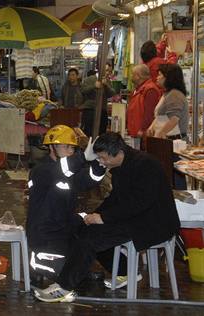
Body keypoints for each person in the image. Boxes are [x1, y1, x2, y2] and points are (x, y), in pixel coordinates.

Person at [34, 132, 180, 303]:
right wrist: (94, 216)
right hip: (132, 216)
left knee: (91, 239)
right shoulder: (120, 165)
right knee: (83, 228)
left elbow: (139, 203)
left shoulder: (148, 166)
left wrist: (103, 217)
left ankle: (64, 287)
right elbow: (116, 199)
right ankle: (125, 272)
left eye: (103, 158)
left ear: (118, 153)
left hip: (153, 222)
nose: (101, 163)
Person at [26, 125, 106, 284]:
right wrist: (82, 157)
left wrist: (99, 162)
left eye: (73, 148)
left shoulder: (69, 171)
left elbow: (90, 179)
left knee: (95, 229)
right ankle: (42, 270)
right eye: (66, 146)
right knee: (67, 274)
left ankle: (77, 267)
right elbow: (60, 171)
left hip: (64, 229)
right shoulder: (40, 171)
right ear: (52, 147)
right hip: (45, 235)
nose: (70, 151)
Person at [146, 63, 188, 140]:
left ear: (168, 77)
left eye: (159, 75)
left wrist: (160, 133)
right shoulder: (167, 93)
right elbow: (161, 116)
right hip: (166, 139)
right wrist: (152, 127)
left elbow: (174, 119)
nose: (157, 78)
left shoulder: (174, 95)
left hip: (173, 141)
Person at [127, 64, 161, 138]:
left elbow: (149, 113)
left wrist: (143, 130)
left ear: (138, 76)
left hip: (143, 135)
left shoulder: (150, 90)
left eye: (133, 74)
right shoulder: (138, 89)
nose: (131, 76)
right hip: (136, 133)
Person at [80, 70, 115, 137]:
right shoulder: (89, 79)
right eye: (106, 70)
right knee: (88, 132)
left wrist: (105, 85)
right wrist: (94, 86)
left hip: (102, 110)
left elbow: (112, 93)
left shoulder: (107, 80)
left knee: (102, 132)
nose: (107, 72)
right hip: (90, 109)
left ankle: (99, 146)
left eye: (108, 70)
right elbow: (83, 90)